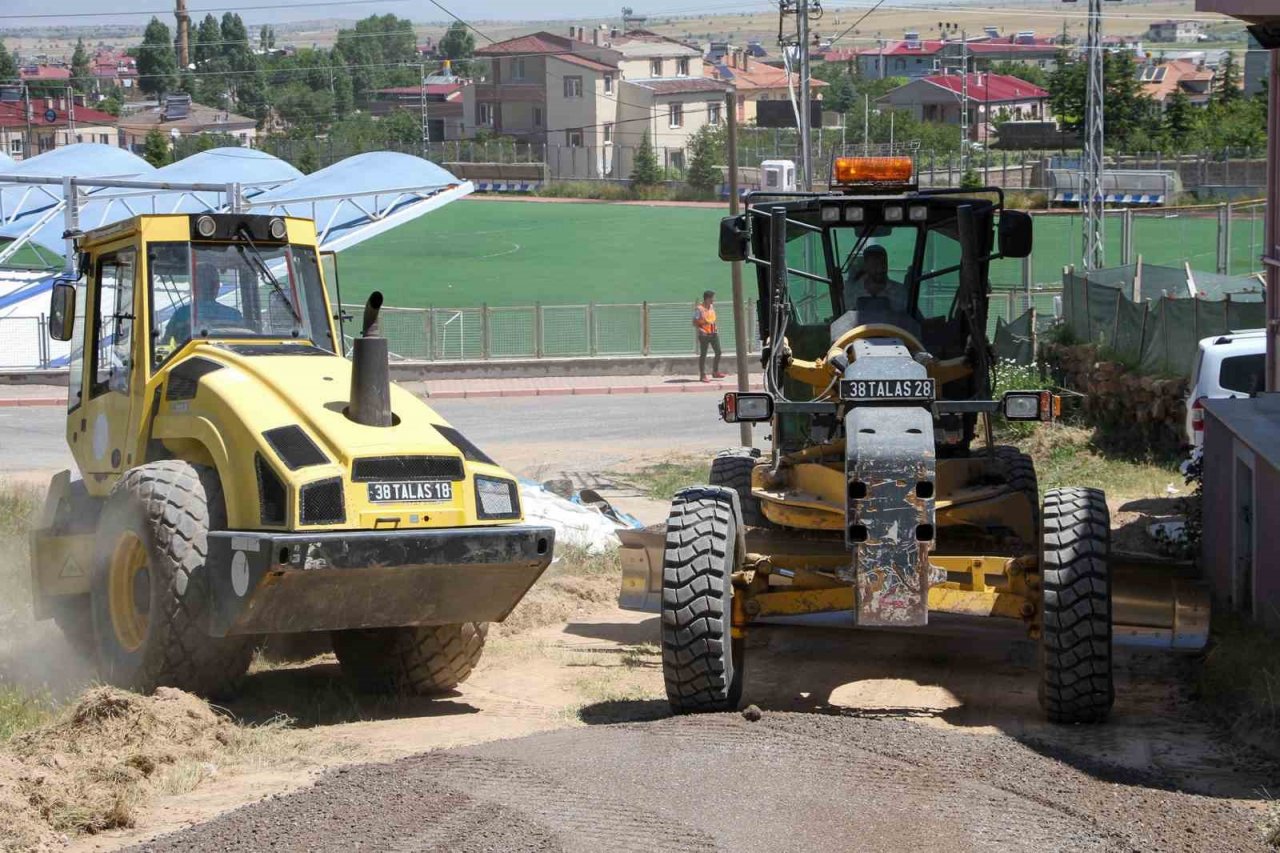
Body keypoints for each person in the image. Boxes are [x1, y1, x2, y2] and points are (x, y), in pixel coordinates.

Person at [164, 263, 244, 345]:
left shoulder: (181, 314)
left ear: (193, 286)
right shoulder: (234, 315)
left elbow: (165, 343)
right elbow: (243, 344)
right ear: (217, 286)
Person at [693, 289, 724, 382]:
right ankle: (702, 375)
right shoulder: (699, 309)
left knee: (718, 352)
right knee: (703, 355)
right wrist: (701, 330)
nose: (713, 300)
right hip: (704, 335)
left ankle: (715, 372)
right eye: (712, 298)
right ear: (707, 298)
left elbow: (712, 320)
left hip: (714, 333)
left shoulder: (711, 307)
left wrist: (715, 330)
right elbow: (694, 323)